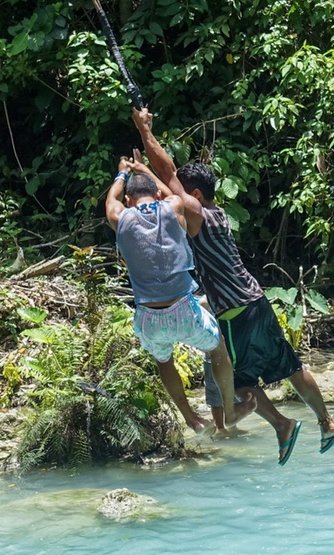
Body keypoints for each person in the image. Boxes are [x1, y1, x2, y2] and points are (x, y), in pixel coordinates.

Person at [133, 109, 334, 460]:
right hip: (257, 300)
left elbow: (167, 174)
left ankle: (282, 425)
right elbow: (168, 181)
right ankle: (328, 423)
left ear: (195, 195)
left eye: (182, 194)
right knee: (292, 367)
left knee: (238, 382)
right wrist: (149, 171)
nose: (174, 199)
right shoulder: (218, 215)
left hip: (234, 314)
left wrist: (144, 136)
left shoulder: (198, 215)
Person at [102, 157, 254, 446]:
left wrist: (121, 173)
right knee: (217, 346)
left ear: (130, 200)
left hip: (148, 318)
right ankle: (231, 411)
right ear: (157, 195)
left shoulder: (120, 217)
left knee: (164, 361)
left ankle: (192, 419)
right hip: (184, 311)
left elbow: (111, 200)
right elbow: (175, 195)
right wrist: (145, 170)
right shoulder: (172, 208)